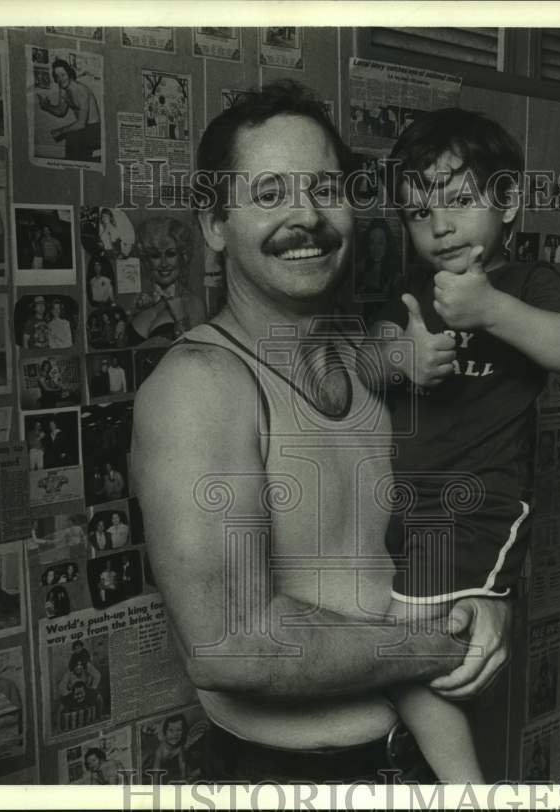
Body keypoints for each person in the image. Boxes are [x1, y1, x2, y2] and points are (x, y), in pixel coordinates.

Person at [132, 81, 512, 784]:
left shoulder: (379, 356)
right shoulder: (200, 387)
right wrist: (437, 648)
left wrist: (484, 606)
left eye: (324, 188)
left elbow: (439, 526)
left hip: (421, 757)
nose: (304, 215)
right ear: (215, 224)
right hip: (295, 777)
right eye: (269, 194)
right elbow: (230, 644)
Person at [365, 107, 560, 781]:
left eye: (460, 202)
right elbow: (371, 350)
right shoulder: (411, 290)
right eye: (416, 213)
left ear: (509, 202)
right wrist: (400, 353)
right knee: (422, 653)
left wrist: (492, 308)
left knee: (399, 649)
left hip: (473, 509)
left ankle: (467, 789)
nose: (439, 226)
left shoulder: (526, 284)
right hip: (407, 507)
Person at [129, 216, 206, 344]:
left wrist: (180, 318)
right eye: (155, 255)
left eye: (171, 254)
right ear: (147, 261)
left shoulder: (193, 304)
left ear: (183, 257)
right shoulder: (142, 301)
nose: (163, 264)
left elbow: (193, 354)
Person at [36, 58, 101, 162]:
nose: (60, 79)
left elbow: (80, 124)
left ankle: (78, 162)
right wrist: (46, 106)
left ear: (70, 74)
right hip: (84, 127)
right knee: (72, 137)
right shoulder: (63, 89)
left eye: (63, 75)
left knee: (72, 137)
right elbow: (61, 111)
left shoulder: (81, 91)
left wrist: (60, 130)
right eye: (57, 76)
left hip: (94, 128)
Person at [147, 715, 188, 782]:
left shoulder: (179, 747)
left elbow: (182, 766)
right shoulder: (160, 751)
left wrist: (184, 781)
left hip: (166, 769)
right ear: (165, 732)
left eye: (179, 730)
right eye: (171, 730)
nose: (175, 734)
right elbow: (155, 774)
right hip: (150, 768)